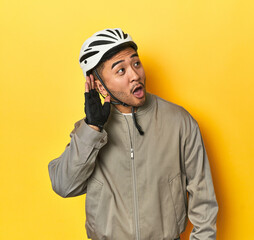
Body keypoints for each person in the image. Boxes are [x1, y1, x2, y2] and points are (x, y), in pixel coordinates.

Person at [48, 27, 218, 240]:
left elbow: (204, 201)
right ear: (100, 86)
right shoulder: (88, 132)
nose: (135, 75)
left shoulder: (180, 121)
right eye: (121, 70)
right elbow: (64, 185)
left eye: (136, 63)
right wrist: (93, 129)